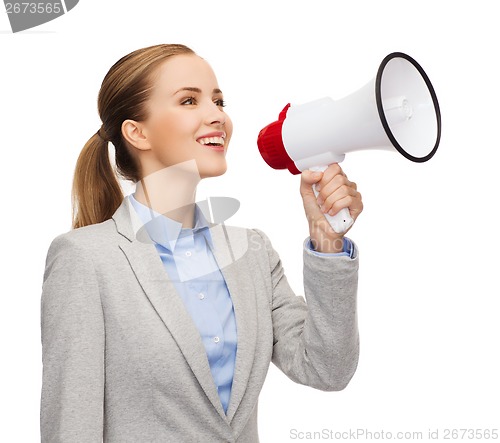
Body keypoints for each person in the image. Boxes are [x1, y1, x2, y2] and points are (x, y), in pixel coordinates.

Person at [40, 43, 363, 442]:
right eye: (189, 100)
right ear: (136, 132)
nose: (217, 116)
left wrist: (327, 243)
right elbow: (72, 426)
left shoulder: (252, 252)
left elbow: (327, 368)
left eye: (219, 100)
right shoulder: (86, 259)